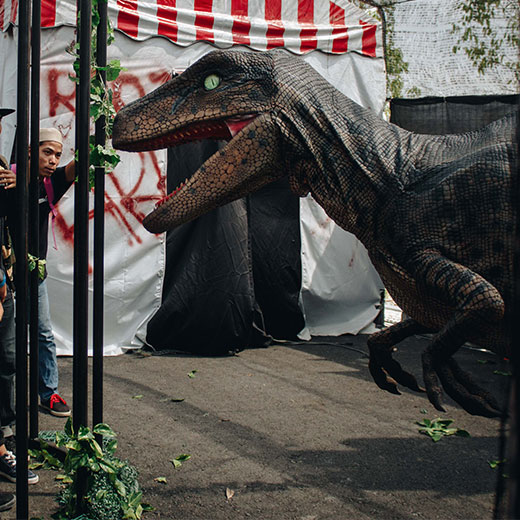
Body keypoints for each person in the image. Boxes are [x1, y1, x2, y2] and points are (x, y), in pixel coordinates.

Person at [1, 127, 75, 417]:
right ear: (32, 150)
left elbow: (78, 165)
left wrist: (100, 122)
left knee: (43, 333)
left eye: (58, 154)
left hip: (35, 273)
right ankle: (8, 403)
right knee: (8, 341)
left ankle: (49, 393)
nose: (54, 159)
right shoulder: (9, 177)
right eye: (48, 152)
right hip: (8, 274)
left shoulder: (50, 184)